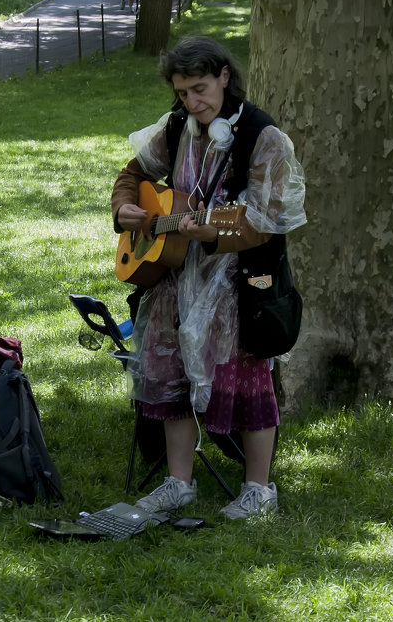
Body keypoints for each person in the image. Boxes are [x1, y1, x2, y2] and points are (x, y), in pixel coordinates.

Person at [109, 36, 306, 520]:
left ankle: (258, 489)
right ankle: (179, 483)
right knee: (172, 374)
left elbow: (267, 218)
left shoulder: (264, 137)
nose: (193, 103)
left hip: (239, 281)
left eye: (200, 89)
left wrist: (213, 232)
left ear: (223, 75)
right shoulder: (176, 129)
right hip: (176, 277)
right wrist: (126, 208)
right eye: (182, 94)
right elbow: (131, 174)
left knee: (248, 378)